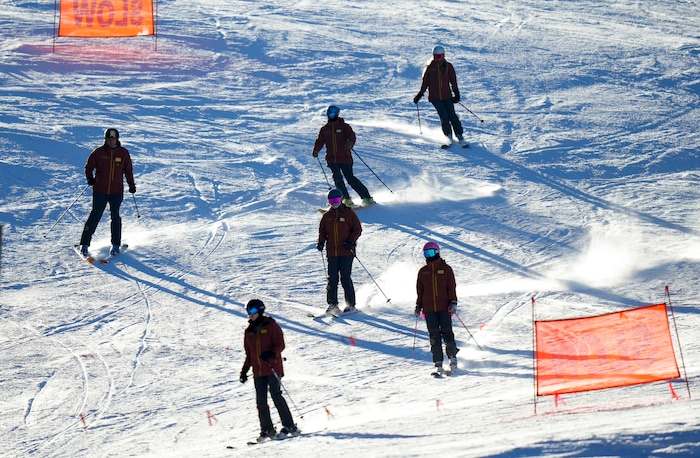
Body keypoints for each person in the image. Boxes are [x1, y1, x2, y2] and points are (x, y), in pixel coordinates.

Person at [239, 299, 299, 442]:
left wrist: (272, 353)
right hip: (258, 371)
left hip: (272, 367)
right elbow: (249, 354)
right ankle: (267, 429)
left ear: (260, 311)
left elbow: (280, 344)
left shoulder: (271, 326)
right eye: (248, 312)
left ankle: (289, 426)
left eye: (253, 311)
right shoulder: (249, 332)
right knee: (261, 401)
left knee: (276, 395)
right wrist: (244, 370)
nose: (250, 315)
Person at [78, 128, 136, 257]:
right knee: (95, 215)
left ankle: (116, 245)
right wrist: (90, 178)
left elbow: (128, 170)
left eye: (113, 138)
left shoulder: (123, 153)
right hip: (100, 190)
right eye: (109, 138)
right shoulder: (99, 152)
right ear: (105, 139)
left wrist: (131, 184)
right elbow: (89, 167)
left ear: (117, 139)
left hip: (116, 191)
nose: (111, 140)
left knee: (115, 216)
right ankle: (84, 244)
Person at [312, 105, 374, 207]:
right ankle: (346, 199)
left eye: (333, 114)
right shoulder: (325, 129)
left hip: (345, 158)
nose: (331, 116)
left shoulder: (344, 127)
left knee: (350, 178)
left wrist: (350, 143)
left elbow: (352, 136)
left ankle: (366, 197)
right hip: (332, 159)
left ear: (337, 114)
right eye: (329, 114)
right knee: (337, 179)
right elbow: (320, 141)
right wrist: (316, 150)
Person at [415, 241, 460, 375]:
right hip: (429, 309)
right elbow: (420, 290)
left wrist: (453, 302)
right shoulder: (423, 272)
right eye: (426, 253)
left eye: (431, 252)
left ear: (437, 252)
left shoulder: (446, 269)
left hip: (444, 307)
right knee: (434, 336)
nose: (429, 256)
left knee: (447, 333)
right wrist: (418, 305)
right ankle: (438, 363)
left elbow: (451, 287)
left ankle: (452, 358)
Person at [317, 189, 362, 315]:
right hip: (332, 252)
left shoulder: (348, 214)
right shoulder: (326, 216)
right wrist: (321, 242)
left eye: (336, 200)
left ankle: (350, 304)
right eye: (331, 201)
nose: (334, 203)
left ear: (341, 199)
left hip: (346, 251)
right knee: (332, 279)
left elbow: (357, 229)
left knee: (345, 277)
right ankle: (333, 304)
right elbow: (322, 232)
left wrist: (351, 241)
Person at [413, 45, 466, 146]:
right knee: (444, 116)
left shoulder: (448, 66)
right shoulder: (429, 68)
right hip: (435, 97)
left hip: (447, 96)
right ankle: (448, 136)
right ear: (433, 56)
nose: (438, 59)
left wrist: (456, 93)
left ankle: (459, 135)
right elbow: (425, 83)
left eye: (440, 57)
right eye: (437, 57)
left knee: (452, 115)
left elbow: (453, 81)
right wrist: (419, 95)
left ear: (444, 56)